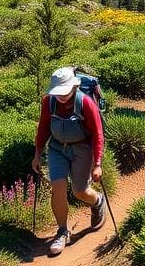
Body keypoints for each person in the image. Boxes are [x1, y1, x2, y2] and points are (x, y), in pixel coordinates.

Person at [32, 67, 107, 255]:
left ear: (74, 87)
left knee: (80, 191)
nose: (61, 96)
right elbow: (43, 128)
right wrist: (37, 154)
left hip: (82, 149)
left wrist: (97, 164)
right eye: (58, 92)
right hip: (57, 148)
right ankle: (62, 231)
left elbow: (98, 134)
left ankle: (98, 202)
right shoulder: (49, 102)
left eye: (64, 92)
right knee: (58, 187)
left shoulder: (86, 103)